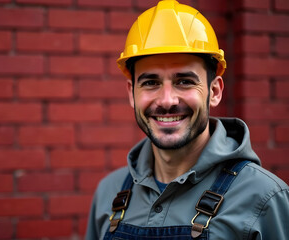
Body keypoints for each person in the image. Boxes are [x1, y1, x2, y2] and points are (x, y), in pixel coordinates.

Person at [85, 0, 289, 239]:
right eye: (151, 82)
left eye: (184, 81)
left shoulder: (264, 198)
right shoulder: (109, 192)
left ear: (214, 92)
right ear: (131, 93)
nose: (167, 100)